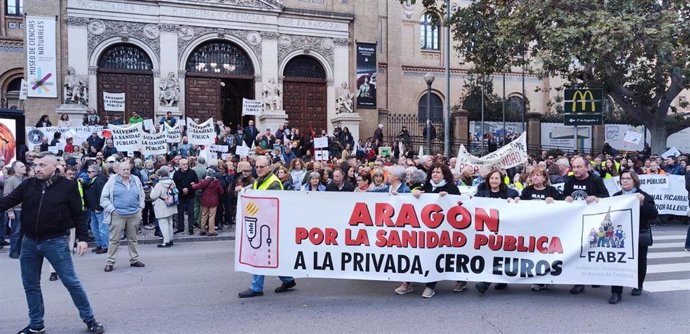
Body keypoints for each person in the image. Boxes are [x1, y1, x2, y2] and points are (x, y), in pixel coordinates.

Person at [0, 152, 105, 334]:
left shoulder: (68, 187)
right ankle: (36, 325)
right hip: (29, 242)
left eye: (42, 165)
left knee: (71, 282)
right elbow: (7, 201)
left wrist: (82, 239)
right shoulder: (28, 185)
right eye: (35, 165)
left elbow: (78, 214)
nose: (37, 169)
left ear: (54, 167)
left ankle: (90, 319)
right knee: (30, 285)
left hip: (55, 242)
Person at [397, 163, 461, 298]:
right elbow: (412, 198)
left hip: (443, 229)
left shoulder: (451, 188)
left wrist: (449, 197)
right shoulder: (425, 186)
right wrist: (415, 193)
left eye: (438, 172)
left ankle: (430, 286)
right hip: (424, 228)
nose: (435, 174)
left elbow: (460, 204)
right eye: (433, 172)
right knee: (414, 253)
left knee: (435, 256)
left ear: (444, 175)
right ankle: (407, 283)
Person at [239, 156, 297, 298]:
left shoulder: (274, 183)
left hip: (269, 225)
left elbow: (273, 205)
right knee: (270, 255)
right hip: (263, 223)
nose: (258, 169)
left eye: (261, 167)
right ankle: (288, 280)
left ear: (269, 168)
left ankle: (256, 288)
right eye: (257, 167)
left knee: (261, 255)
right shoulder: (259, 181)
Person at [608, 171, 658, 304]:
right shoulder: (616, 196)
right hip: (621, 236)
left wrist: (642, 204)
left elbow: (653, 214)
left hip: (639, 233)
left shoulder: (643, 196)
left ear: (634, 181)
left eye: (628, 179)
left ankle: (638, 284)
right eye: (622, 179)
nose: (624, 181)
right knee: (618, 262)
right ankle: (616, 292)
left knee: (640, 262)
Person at [564, 156, 610, 295]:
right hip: (575, 222)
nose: (576, 170)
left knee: (593, 250)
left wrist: (596, 198)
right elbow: (562, 198)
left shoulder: (596, 180)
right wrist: (565, 198)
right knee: (578, 251)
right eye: (574, 167)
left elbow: (606, 197)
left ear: (587, 167)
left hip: (593, 222)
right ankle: (579, 281)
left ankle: (596, 276)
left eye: (579, 167)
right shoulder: (569, 180)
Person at [516, 167, 563, 291]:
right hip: (532, 229)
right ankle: (537, 280)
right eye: (533, 175)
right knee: (534, 254)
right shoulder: (527, 190)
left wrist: (554, 201)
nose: (535, 177)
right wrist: (516, 200)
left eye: (538, 175)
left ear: (544, 178)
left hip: (548, 229)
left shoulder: (551, 190)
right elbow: (520, 204)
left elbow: (563, 203)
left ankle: (548, 278)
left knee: (547, 254)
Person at [474, 170, 520, 295]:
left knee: (499, 255)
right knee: (492, 256)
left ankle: (485, 283)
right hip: (487, 230)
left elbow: (518, 199)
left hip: (504, 229)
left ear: (501, 180)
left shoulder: (509, 192)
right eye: (492, 178)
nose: (494, 181)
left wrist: (516, 199)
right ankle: (500, 279)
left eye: (497, 178)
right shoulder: (482, 192)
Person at [100, 160, 146, 272]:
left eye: (128, 169)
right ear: (118, 171)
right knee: (114, 240)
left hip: (134, 214)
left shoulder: (136, 179)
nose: (126, 171)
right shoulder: (112, 181)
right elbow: (103, 198)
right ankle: (110, 262)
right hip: (118, 215)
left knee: (133, 239)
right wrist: (112, 210)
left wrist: (141, 207)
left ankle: (134, 259)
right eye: (124, 169)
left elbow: (141, 194)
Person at [4, 160, 28, 259]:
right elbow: (7, 195)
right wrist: (9, 211)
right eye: (21, 167)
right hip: (16, 210)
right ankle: (14, 251)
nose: (24, 168)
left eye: (24, 166)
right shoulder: (11, 180)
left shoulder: (24, 180)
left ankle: (21, 250)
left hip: (25, 209)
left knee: (23, 232)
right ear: (15, 169)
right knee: (16, 232)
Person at [191, 168, 224, 237]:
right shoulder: (217, 182)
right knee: (212, 216)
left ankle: (202, 229)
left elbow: (195, 187)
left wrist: (193, 184)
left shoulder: (203, 181)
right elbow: (221, 191)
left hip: (205, 201)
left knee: (204, 215)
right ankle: (211, 231)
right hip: (214, 201)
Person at [150, 166, 178, 247]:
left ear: (160, 175)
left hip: (162, 205)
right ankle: (171, 239)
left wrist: (152, 189)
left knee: (163, 223)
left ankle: (166, 241)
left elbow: (153, 196)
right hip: (171, 204)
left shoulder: (159, 184)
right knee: (170, 222)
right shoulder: (172, 182)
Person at [85, 165, 109, 255]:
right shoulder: (94, 180)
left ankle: (105, 245)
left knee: (102, 227)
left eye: (89, 172)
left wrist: (99, 207)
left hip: (98, 209)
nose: (87, 173)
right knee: (95, 227)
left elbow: (101, 195)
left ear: (95, 172)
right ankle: (99, 244)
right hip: (93, 208)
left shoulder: (99, 181)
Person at [173, 158, 198, 234]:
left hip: (190, 194)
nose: (185, 165)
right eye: (183, 164)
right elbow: (174, 184)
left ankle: (191, 228)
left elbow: (196, 182)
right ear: (180, 165)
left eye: (186, 164)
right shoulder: (176, 173)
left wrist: (188, 189)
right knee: (180, 212)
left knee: (191, 212)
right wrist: (182, 189)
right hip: (180, 195)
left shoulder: (192, 172)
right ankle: (180, 227)